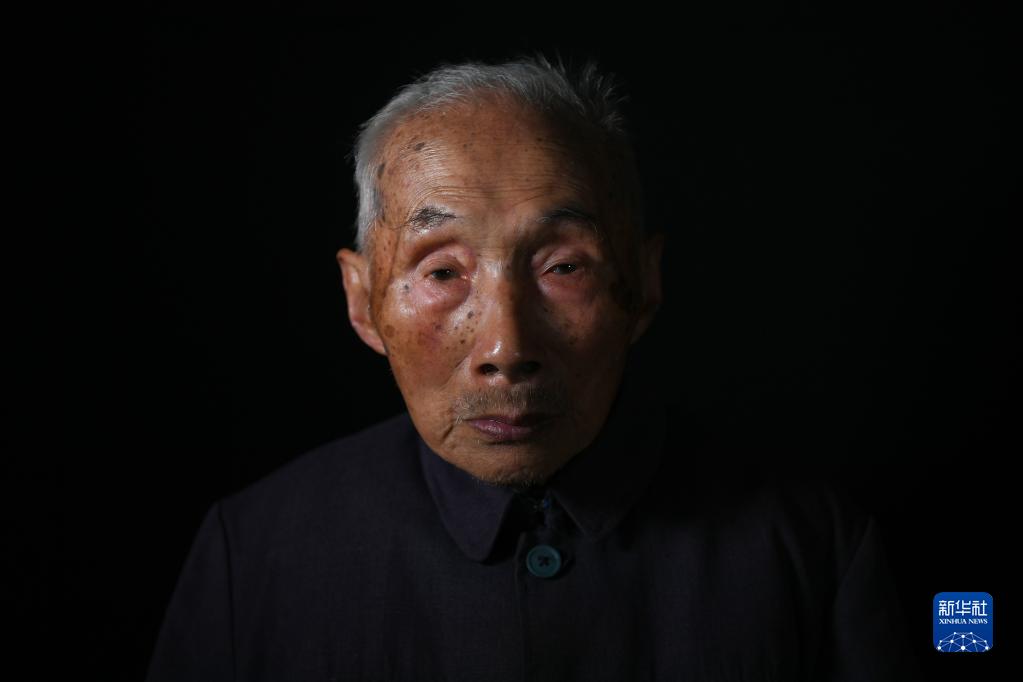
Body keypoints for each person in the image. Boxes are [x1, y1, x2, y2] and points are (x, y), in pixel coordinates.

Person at [146, 53, 921, 681]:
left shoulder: (810, 548)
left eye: (562, 267)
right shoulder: (252, 554)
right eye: (442, 272)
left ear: (642, 284)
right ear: (361, 300)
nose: (505, 348)